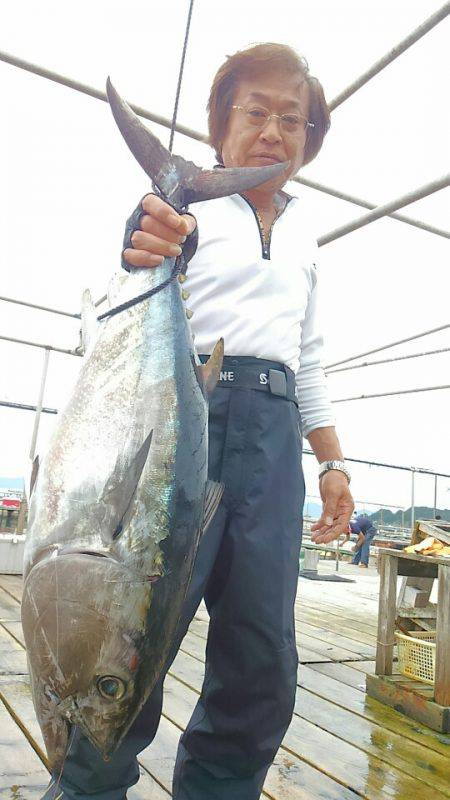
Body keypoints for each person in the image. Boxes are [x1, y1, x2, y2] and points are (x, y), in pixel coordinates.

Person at [44, 43, 354, 800]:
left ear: (309, 137)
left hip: (275, 437)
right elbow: (133, 272)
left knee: (261, 647)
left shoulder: (308, 231)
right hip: (189, 417)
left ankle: (222, 787)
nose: (275, 130)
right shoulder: (187, 206)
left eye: (292, 117)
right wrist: (148, 238)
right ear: (221, 126)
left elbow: (306, 357)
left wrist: (332, 462)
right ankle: (88, 785)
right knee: (137, 617)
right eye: (256, 112)